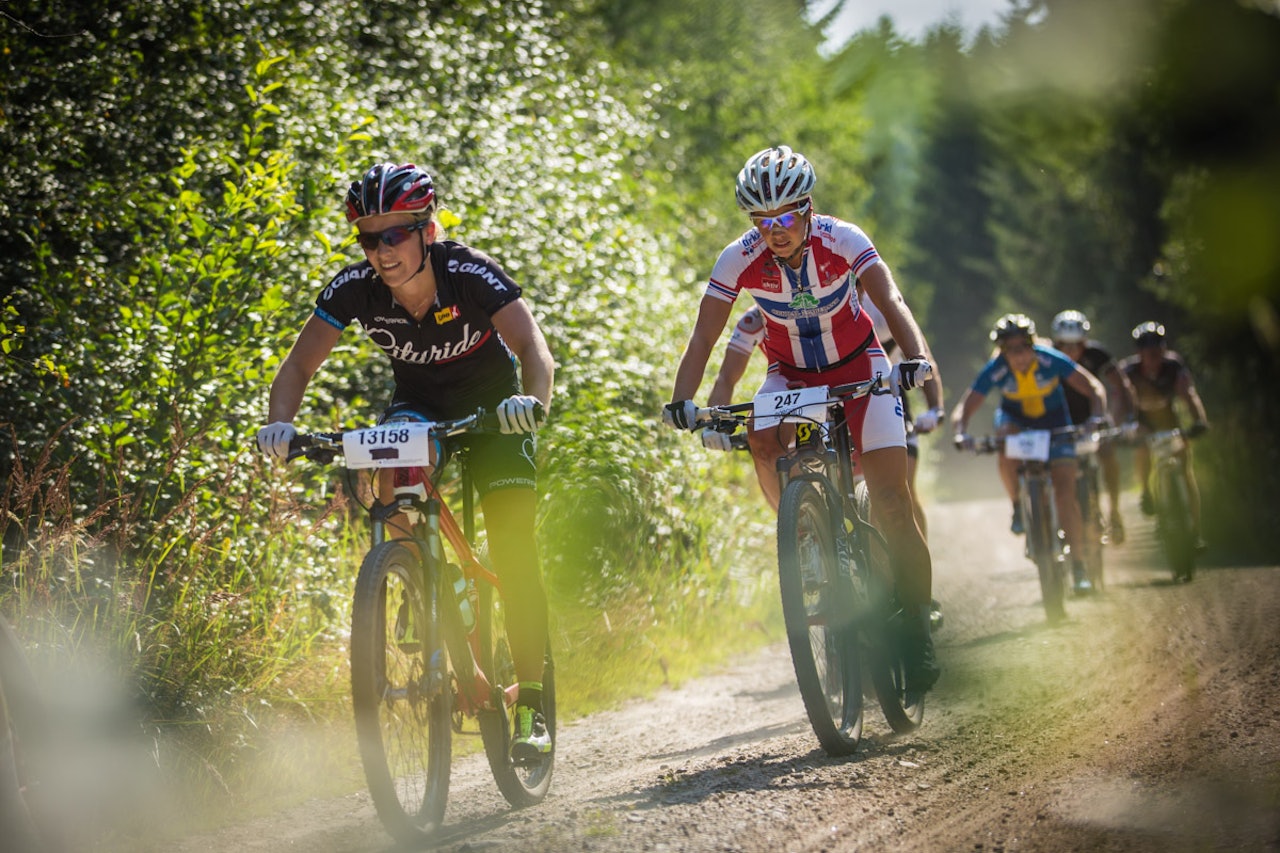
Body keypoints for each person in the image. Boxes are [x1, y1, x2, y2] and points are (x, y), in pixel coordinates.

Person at [255, 163, 557, 762]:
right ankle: (418, 579)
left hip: (495, 411)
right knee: (391, 479)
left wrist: (532, 403)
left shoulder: (468, 272)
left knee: (513, 544)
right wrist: (280, 423)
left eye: (394, 234)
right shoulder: (356, 288)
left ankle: (531, 703)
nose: (381, 251)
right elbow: (298, 366)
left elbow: (532, 347)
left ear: (427, 231)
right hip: (419, 405)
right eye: (369, 238)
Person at [665, 145, 940, 694]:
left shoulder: (843, 238)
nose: (775, 232)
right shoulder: (738, 258)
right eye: (762, 221)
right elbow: (705, 334)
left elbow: (891, 299)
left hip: (861, 365)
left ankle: (916, 627)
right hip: (790, 375)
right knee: (761, 439)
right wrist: (683, 399)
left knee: (892, 500)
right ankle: (803, 529)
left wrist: (914, 360)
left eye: (786, 218)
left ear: (808, 209)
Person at [950, 313, 1109, 593]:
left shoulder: (1050, 359)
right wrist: (961, 432)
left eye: (1024, 347)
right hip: (1017, 424)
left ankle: (1079, 566)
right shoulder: (996, 369)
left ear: (1033, 344)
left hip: (1055, 423)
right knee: (1004, 441)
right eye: (1011, 349)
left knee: (1065, 494)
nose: (1019, 355)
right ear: (1002, 351)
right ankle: (1017, 506)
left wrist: (1097, 416)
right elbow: (965, 406)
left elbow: (1094, 387)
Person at [1117, 322, 1209, 548]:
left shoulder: (1173, 365)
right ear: (1139, 353)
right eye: (1149, 353)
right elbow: (1119, 402)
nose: (1154, 358)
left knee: (1185, 471)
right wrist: (1123, 428)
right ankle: (1147, 491)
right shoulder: (1128, 371)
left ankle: (1195, 533)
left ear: (1164, 349)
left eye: (1158, 351)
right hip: (1143, 421)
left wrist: (1199, 420)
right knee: (1143, 450)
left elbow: (1188, 394)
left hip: (1169, 418)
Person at [1049, 309, 1137, 544]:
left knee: (1107, 453)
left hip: (1093, 416)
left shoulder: (1097, 355)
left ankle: (1114, 512)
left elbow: (1122, 385)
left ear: (1085, 342)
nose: (1070, 351)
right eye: (1064, 345)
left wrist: (1128, 417)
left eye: (1076, 345)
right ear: (1056, 343)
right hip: (1061, 420)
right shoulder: (1047, 356)